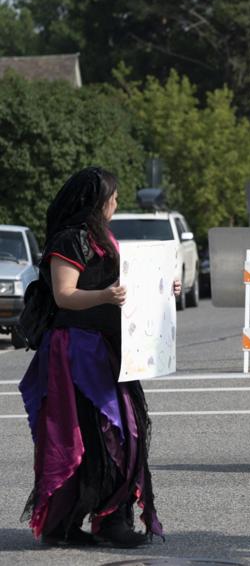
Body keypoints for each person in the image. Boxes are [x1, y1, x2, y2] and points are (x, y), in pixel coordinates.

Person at [18, 167, 179, 547]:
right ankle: (70, 524)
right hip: (75, 351)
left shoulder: (103, 238)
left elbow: (130, 285)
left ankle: (111, 519)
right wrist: (106, 295)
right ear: (96, 201)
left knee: (127, 434)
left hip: (107, 347)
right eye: (113, 195)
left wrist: (163, 285)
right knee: (91, 436)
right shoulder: (70, 240)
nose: (117, 202)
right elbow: (64, 295)